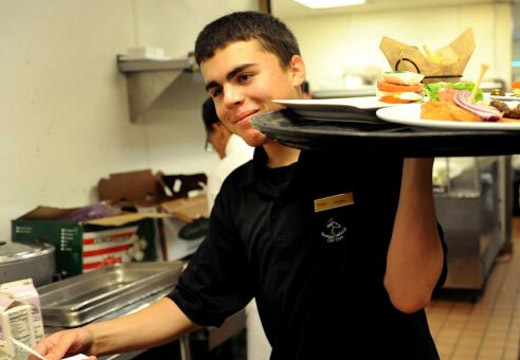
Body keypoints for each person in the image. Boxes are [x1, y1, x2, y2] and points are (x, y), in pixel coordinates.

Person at [34, 11, 447, 360]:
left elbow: (410, 295)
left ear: (296, 69)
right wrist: (90, 337)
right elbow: (194, 301)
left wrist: (417, 150)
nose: (229, 98)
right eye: (216, 89)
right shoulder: (240, 192)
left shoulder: (367, 158)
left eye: (244, 76)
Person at [202, 97, 271, 359]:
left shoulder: (225, 173)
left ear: (216, 130)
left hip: (260, 298)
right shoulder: (259, 160)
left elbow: (224, 252)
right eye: (217, 90)